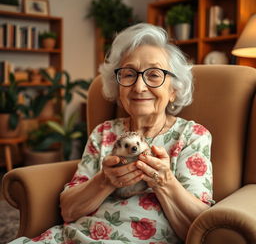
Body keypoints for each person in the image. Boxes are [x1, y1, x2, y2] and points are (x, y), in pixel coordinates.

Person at [10, 23, 214, 244]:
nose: (139, 87)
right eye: (128, 74)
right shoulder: (104, 133)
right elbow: (68, 211)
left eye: (154, 75)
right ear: (118, 87)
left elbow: (202, 230)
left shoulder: (192, 136)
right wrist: (105, 181)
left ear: (173, 90)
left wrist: (163, 182)